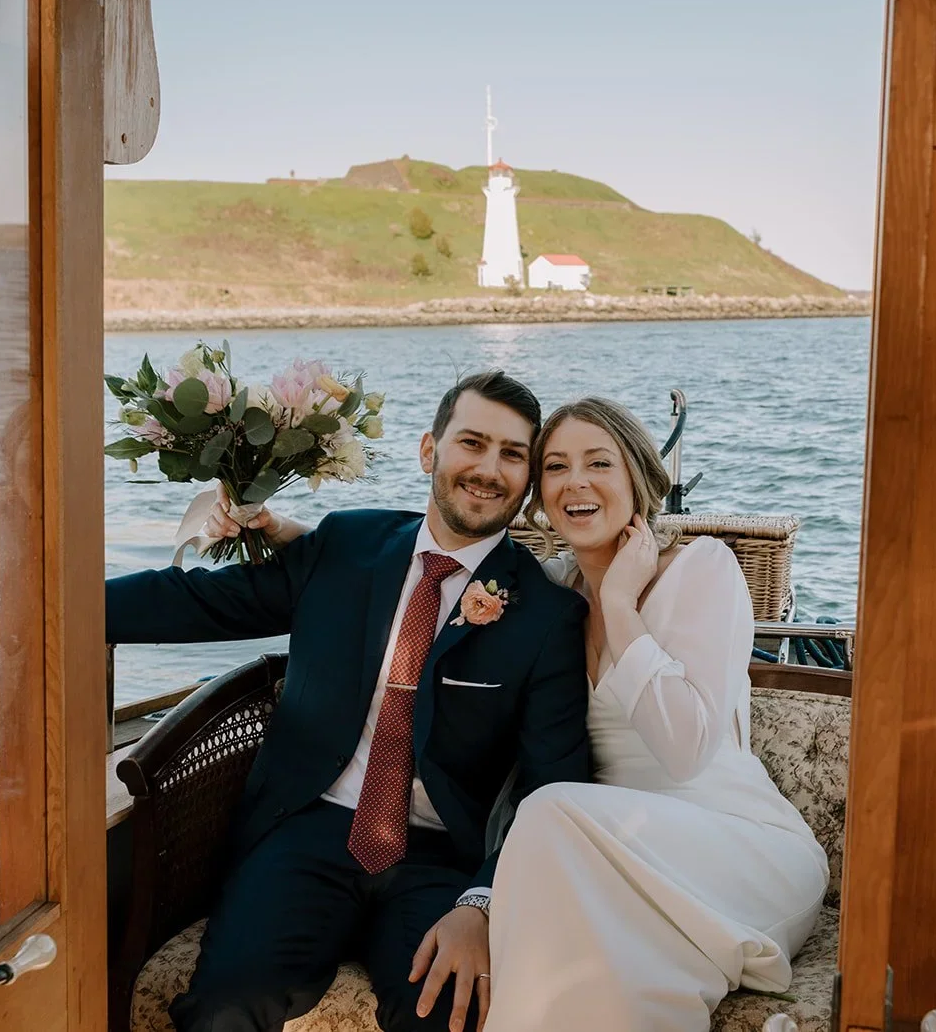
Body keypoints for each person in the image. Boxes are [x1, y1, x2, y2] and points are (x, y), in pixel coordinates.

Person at [0, 371, 590, 1032]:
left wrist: (483, 902)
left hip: (440, 858)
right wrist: (37, 613)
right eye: (473, 442)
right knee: (225, 1005)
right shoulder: (347, 545)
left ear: (526, 479)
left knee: (448, 1014)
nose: (489, 469)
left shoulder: (546, 615)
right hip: (306, 830)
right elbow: (199, 600)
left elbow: (556, 782)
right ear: (429, 450)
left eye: (512, 454)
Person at [228, 396, 827, 1031]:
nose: (577, 481)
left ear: (639, 478)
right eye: (556, 466)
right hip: (600, 861)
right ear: (537, 495)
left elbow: (686, 752)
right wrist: (294, 535)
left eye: (600, 462)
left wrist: (621, 608)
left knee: (546, 809)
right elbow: (424, 567)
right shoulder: (547, 591)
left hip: (728, 849)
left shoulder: (702, 568)